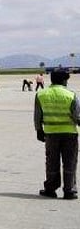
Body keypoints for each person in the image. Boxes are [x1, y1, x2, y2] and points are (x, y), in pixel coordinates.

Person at [35, 69, 80, 199]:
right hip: (70, 134)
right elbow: (77, 116)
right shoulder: (71, 94)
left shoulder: (41, 94)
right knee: (70, 162)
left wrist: (39, 130)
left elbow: (37, 115)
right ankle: (69, 190)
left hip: (51, 134)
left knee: (51, 162)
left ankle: (50, 188)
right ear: (64, 80)